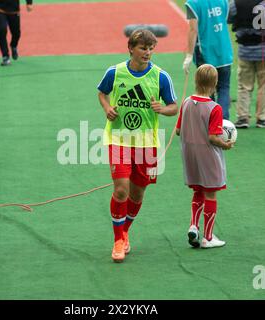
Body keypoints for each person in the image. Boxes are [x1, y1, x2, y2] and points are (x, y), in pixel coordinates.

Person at [97, 29, 178, 263]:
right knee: (121, 189)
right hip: (118, 140)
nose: (148, 52)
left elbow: (174, 106)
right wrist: (106, 108)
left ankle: (125, 231)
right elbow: (102, 93)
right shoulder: (115, 72)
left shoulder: (161, 77)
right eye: (143, 48)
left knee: (137, 193)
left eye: (151, 48)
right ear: (131, 48)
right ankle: (118, 241)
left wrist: (163, 109)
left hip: (147, 144)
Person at [176, 64, 234, 249]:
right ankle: (208, 237)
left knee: (197, 190)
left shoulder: (185, 102)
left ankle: (194, 225)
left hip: (189, 154)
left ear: (196, 80)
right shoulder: (214, 108)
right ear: (215, 83)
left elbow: (178, 130)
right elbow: (212, 137)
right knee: (210, 193)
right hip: (208, 156)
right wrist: (225, 144)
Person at [228, 0, 265, 128]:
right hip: (264, 52)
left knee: (244, 86)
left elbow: (228, 19)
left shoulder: (235, 4)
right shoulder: (264, 4)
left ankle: (242, 118)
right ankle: (262, 118)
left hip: (245, 51)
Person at [182, 0, 233, 120]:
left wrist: (189, 55)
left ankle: (212, 122)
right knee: (224, 87)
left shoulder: (193, 4)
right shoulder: (223, 1)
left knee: (207, 89)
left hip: (206, 52)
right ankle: (224, 122)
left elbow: (193, 30)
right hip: (224, 50)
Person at [0, 0, 33, 66]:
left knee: (16, 33)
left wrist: (29, 3)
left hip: (14, 10)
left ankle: (13, 45)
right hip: (0, 9)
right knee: (2, 30)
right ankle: (5, 56)